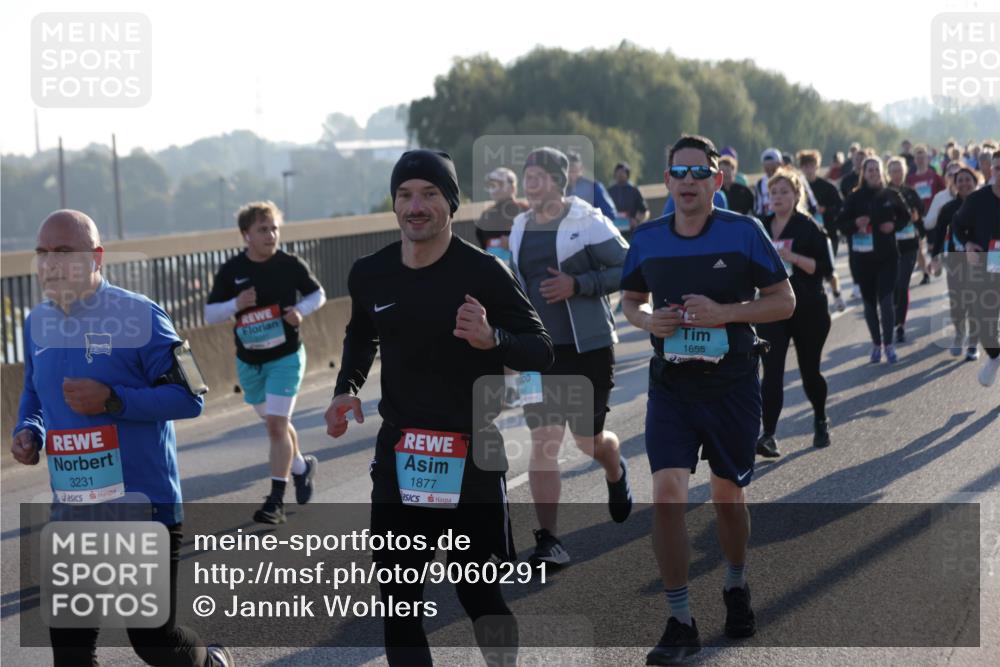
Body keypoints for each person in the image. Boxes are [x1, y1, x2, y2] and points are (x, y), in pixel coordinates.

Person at [324, 149, 554, 666]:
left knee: (479, 595)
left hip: (471, 452)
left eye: (429, 193)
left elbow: (540, 348)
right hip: (402, 451)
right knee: (399, 603)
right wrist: (347, 387)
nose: (416, 205)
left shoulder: (485, 272)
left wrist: (493, 338)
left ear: (451, 202)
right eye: (405, 194)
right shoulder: (370, 273)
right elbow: (362, 334)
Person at [12, 210, 233, 667]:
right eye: (42, 253)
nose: (50, 264)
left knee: (154, 643)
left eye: (63, 252)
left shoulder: (141, 315)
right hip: (73, 510)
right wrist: (28, 430)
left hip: (142, 506)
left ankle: (211, 662)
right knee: (70, 655)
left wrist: (114, 401)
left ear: (96, 257)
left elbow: (190, 398)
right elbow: (35, 390)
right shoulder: (37, 324)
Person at [620, 135, 795, 665]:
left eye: (701, 172)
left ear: (718, 181)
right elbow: (630, 301)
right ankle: (679, 619)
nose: (689, 181)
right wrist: (649, 320)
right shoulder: (647, 238)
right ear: (667, 180)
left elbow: (784, 301)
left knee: (727, 497)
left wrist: (727, 312)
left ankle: (735, 584)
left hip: (732, 384)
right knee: (667, 496)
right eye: (680, 172)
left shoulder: (744, 232)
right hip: (671, 386)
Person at [508, 147, 633, 566]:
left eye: (539, 175)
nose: (530, 183)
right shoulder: (519, 227)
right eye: (527, 175)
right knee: (543, 443)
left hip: (587, 350)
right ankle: (549, 539)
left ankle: (614, 468)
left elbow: (629, 267)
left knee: (588, 442)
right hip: (537, 354)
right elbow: (517, 291)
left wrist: (577, 285)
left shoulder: (586, 221)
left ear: (559, 182)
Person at [205, 201, 325, 524]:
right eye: (262, 229)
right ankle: (301, 467)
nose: (271, 235)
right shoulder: (232, 270)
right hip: (250, 362)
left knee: (275, 424)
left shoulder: (289, 264)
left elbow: (318, 294)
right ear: (246, 235)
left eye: (274, 228)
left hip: (285, 357)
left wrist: (302, 311)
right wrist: (236, 303)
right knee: (277, 424)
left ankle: (275, 500)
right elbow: (209, 313)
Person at [756, 168, 835, 458]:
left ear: (797, 195)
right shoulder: (760, 227)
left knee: (809, 371)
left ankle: (820, 418)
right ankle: (769, 435)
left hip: (808, 308)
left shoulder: (809, 227)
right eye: (773, 192)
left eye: (784, 192)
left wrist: (793, 258)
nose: (777, 197)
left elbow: (824, 268)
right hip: (772, 308)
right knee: (772, 373)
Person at [837, 157, 911, 364]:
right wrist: (854, 223)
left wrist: (893, 226)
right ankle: (876, 344)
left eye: (877, 169)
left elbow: (906, 216)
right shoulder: (854, 197)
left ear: (882, 172)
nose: (873, 172)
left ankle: (889, 344)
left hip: (887, 256)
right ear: (863, 173)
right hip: (862, 259)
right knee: (869, 304)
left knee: (886, 300)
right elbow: (840, 223)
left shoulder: (891, 194)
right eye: (869, 170)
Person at [953, 151, 1000, 387]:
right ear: (991, 170)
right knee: (984, 324)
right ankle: (995, 356)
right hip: (987, 268)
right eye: (997, 168)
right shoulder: (977, 200)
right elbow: (958, 226)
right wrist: (968, 244)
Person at [929, 167, 982, 360]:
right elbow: (939, 232)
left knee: (976, 302)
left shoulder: (985, 205)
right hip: (955, 259)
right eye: (960, 180)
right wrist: (934, 257)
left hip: (980, 260)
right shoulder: (949, 208)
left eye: (968, 180)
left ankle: (973, 344)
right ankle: (960, 334)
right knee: (958, 302)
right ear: (954, 184)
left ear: (976, 183)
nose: (964, 183)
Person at [798, 149, 846, 311]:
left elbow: (841, 207)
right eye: (805, 166)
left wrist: (826, 210)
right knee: (812, 271)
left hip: (828, 234)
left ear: (817, 166)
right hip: (808, 236)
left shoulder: (828, 187)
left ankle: (837, 293)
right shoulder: (798, 188)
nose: (808, 169)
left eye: (811, 165)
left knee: (828, 270)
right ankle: (818, 300)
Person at [886, 157, 926, 343]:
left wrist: (916, 217)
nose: (896, 174)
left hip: (909, 244)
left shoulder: (910, 192)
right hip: (889, 246)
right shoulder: (884, 194)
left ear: (904, 172)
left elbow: (920, 214)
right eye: (893, 170)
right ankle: (894, 314)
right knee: (893, 285)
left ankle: (900, 324)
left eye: (899, 170)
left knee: (902, 283)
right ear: (888, 172)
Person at [475, 167, 530, 260]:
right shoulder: (486, 215)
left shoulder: (525, 211)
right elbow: (482, 244)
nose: (494, 188)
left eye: (499, 184)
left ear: (512, 187)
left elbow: (538, 241)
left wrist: (513, 243)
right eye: (491, 184)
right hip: (494, 267)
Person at [566, 151, 617, 221]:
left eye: (573, 170)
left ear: (581, 169)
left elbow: (610, 214)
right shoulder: (558, 189)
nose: (570, 174)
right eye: (567, 169)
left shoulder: (594, 187)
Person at [607, 161, 650, 233]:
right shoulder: (609, 191)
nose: (620, 174)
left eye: (622, 172)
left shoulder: (634, 190)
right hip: (613, 231)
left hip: (630, 232)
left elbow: (644, 211)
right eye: (618, 172)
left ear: (627, 174)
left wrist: (637, 221)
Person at [754, 148, 782, 216]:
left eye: (772, 166)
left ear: (779, 164)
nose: (769, 169)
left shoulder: (787, 181)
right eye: (766, 166)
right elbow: (758, 208)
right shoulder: (759, 184)